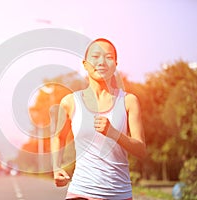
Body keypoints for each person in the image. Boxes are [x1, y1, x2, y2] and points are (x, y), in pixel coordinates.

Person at [51, 38, 147, 200]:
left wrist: (114, 133)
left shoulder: (128, 101)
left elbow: (141, 150)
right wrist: (56, 167)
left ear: (115, 64)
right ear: (85, 64)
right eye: (95, 57)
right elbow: (58, 137)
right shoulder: (70, 102)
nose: (102, 62)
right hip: (80, 191)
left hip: (118, 194)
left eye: (108, 57)